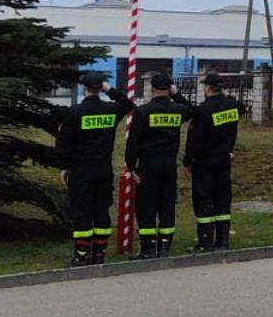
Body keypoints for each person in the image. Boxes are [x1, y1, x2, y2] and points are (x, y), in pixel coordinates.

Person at [55, 72, 133, 265]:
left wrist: (64, 167)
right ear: (100, 88)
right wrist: (110, 89)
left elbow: (63, 146)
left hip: (81, 171)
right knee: (101, 212)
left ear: (84, 88)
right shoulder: (111, 110)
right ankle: (99, 254)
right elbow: (128, 104)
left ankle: (81, 256)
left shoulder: (74, 113)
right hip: (103, 170)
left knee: (82, 213)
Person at [126, 73, 195, 258]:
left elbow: (133, 142)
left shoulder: (143, 111)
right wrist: (177, 94)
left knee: (146, 205)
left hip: (148, 164)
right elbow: (193, 110)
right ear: (169, 88)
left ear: (152, 88)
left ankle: (148, 248)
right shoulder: (178, 109)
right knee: (167, 204)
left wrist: (131, 166)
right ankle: (165, 245)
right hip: (169, 164)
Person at [185, 73, 242, 252]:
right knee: (223, 200)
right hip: (224, 159)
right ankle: (222, 241)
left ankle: (205, 241)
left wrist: (188, 161)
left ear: (207, 87)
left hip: (205, 161)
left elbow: (195, 140)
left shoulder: (203, 110)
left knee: (204, 200)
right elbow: (241, 107)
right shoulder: (233, 106)